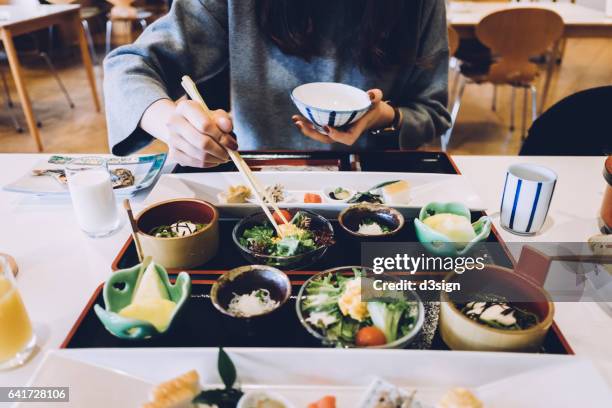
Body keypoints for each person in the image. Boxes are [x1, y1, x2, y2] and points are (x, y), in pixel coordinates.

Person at [104, 0, 450, 168]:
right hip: (255, 178)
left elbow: (432, 112)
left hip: (371, 184)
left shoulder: (418, 4)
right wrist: (171, 124)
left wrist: (384, 117)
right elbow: (130, 66)